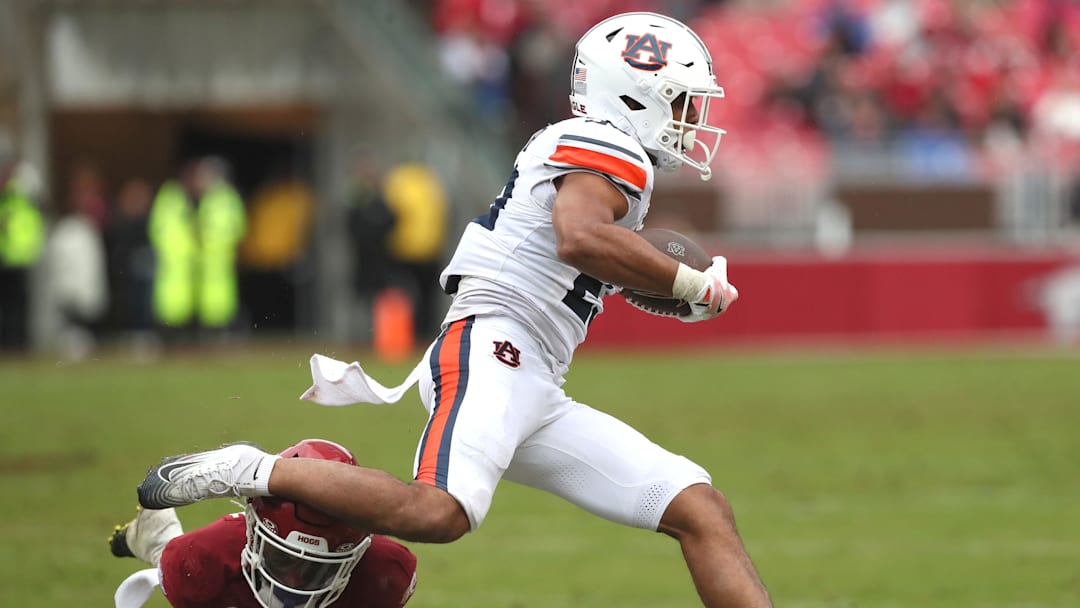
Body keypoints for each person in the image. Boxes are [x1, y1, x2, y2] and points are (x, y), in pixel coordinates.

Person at [136, 12, 771, 607]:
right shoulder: (606, 144)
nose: (693, 119)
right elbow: (579, 237)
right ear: (636, 95)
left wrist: (655, 281)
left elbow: (590, 252)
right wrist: (688, 283)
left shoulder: (606, 156)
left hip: (536, 380)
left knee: (697, 505)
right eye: (684, 102)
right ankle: (252, 468)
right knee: (439, 511)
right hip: (495, 346)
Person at [112, 439, 417, 608]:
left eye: (316, 570)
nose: (295, 585)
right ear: (251, 529)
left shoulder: (384, 572)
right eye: (283, 559)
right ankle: (158, 536)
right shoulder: (201, 559)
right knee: (184, 563)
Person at [0, 159, 46, 351]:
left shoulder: (14, 201)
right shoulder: (20, 203)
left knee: (15, 307)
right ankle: (15, 343)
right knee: (15, 307)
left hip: (15, 260)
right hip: (15, 259)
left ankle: (15, 344)